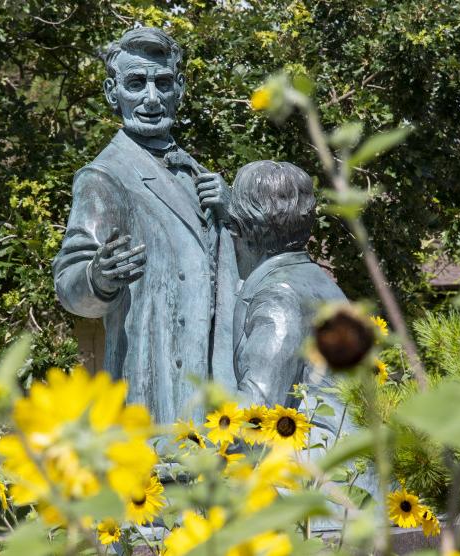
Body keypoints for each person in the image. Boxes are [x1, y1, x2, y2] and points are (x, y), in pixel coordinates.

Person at [53, 25, 238, 424]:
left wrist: (234, 212)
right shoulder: (104, 177)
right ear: (111, 92)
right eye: (136, 83)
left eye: (163, 83)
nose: (151, 98)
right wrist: (98, 277)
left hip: (217, 392)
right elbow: (70, 286)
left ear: (180, 89)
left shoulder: (201, 176)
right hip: (155, 390)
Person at [228, 160, 348, 444]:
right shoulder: (318, 282)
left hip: (318, 474)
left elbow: (257, 413)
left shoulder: (279, 295)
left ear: (239, 229)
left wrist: (183, 456)